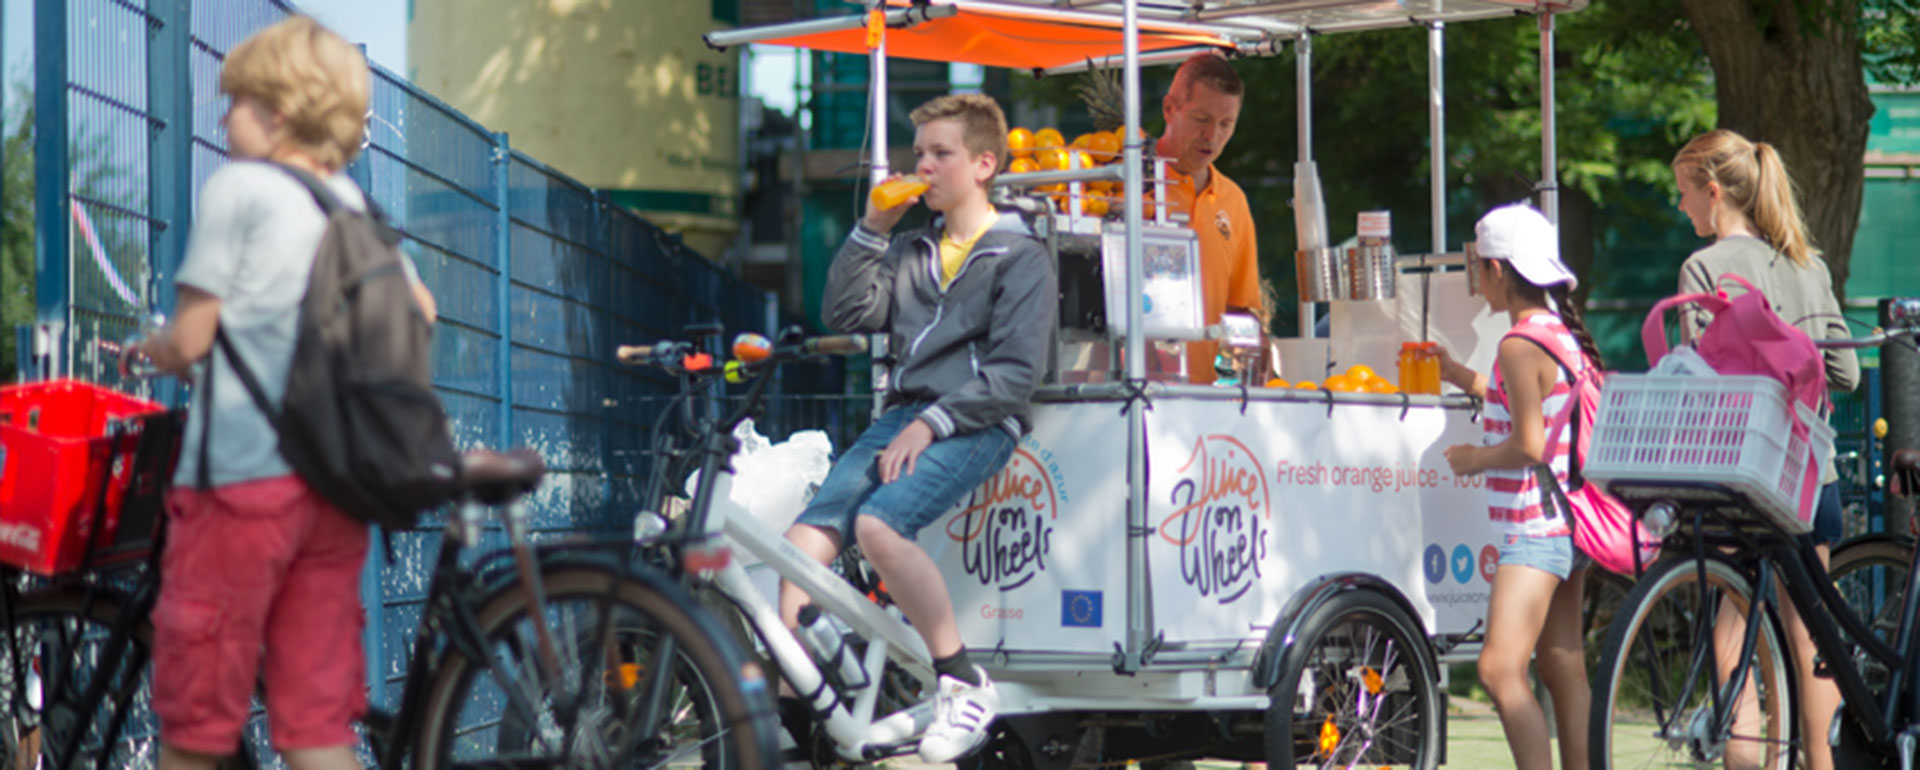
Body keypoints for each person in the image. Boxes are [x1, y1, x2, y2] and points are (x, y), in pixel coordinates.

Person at [132, 16, 433, 770]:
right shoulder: (350, 204)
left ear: (279, 113)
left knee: (197, 722)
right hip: (333, 493)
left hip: (241, 488)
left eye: (233, 103)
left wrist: (154, 348)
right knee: (315, 727)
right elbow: (421, 310)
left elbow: (194, 339)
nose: (222, 117)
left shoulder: (239, 189)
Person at [778, 93, 1056, 763]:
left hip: (977, 422)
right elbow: (844, 312)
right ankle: (801, 701)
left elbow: (1018, 375)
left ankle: (960, 678)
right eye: (919, 154)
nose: (923, 167)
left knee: (877, 525)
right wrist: (871, 229)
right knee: (796, 546)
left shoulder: (1021, 256)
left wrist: (933, 423)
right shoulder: (909, 248)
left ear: (984, 163)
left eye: (941, 154)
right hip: (901, 418)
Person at [1671, 127, 1859, 770]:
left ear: (1714, 192)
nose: (1682, 208)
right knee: (1813, 643)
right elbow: (1848, 376)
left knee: (1732, 635)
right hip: (1815, 475)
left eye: (1685, 194)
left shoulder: (1706, 268)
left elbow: (1701, 378)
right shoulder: (1811, 264)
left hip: (1744, 477)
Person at [1437, 205, 1596, 770]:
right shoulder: (1555, 334)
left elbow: (1529, 444)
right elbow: (1533, 407)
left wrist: (1474, 458)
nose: (1477, 281)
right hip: (1572, 521)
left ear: (1499, 270)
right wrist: (1460, 375)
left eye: (1479, 268)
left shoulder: (1517, 343)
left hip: (1535, 525)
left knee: (1498, 669)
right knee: (1561, 663)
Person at [1154, 52, 1259, 383]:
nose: (1212, 136)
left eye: (1226, 124)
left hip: (1210, 404)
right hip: (1137, 396)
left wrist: (1240, 377)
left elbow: (1242, 308)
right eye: (1201, 119)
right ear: (1170, 109)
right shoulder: (1123, 188)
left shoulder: (1233, 200)